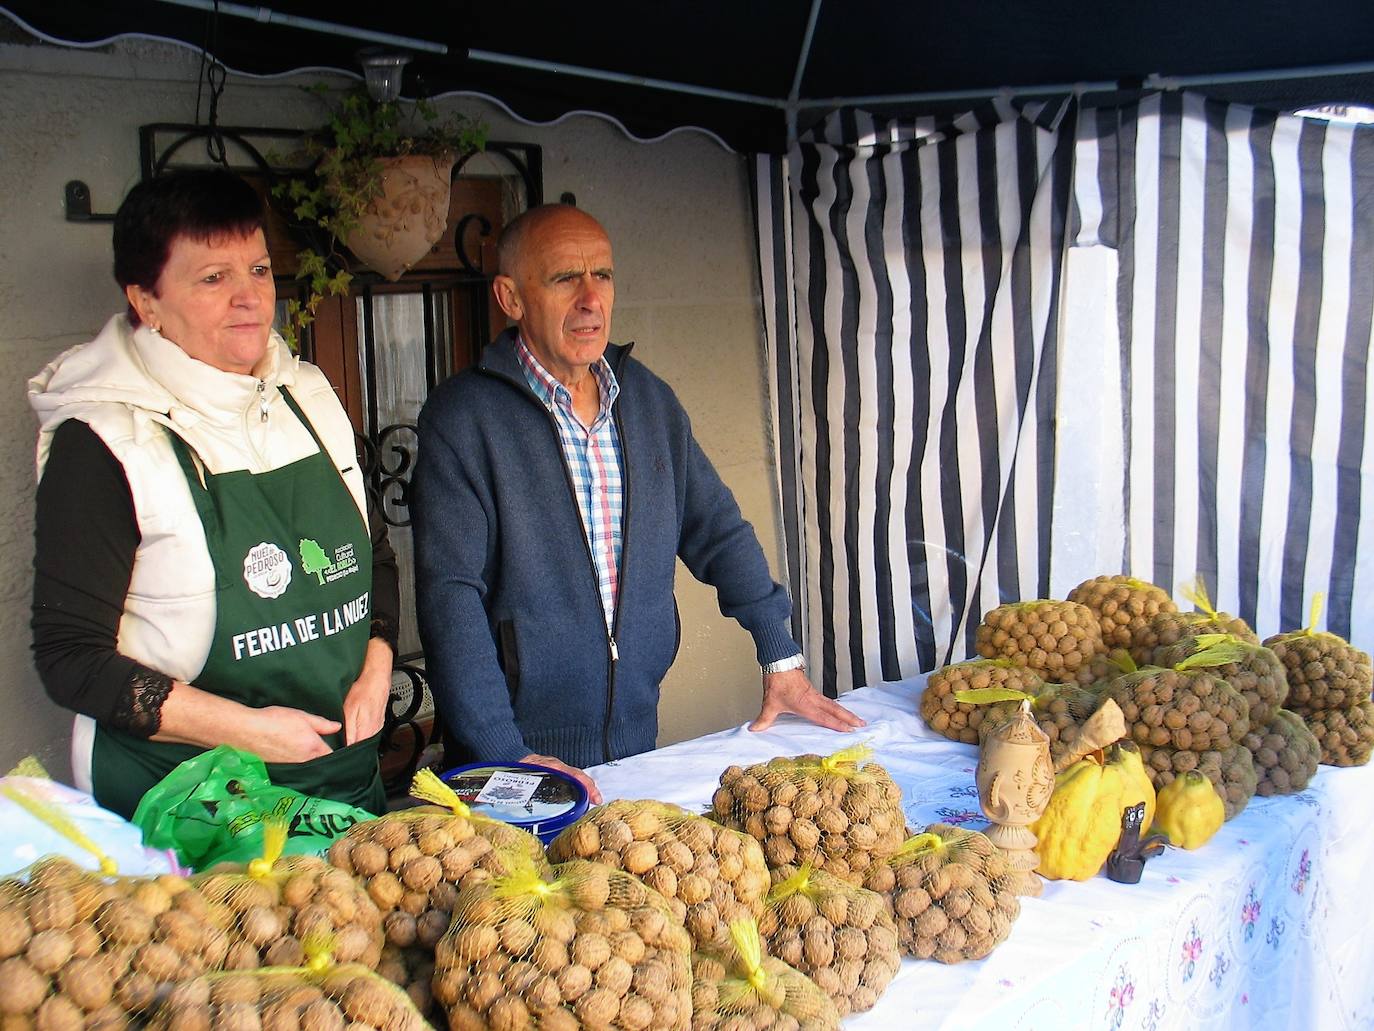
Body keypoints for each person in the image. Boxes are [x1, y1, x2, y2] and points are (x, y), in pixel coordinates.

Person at [412, 204, 861, 803]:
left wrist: (780, 652)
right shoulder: (463, 420)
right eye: (565, 278)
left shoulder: (647, 401)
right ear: (511, 298)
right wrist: (506, 755)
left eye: (603, 275)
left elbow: (717, 530)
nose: (591, 299)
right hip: (516, 761)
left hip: (639, 743)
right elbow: (450, 596)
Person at [29, 169, 399, 819]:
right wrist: (247, 732)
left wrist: (377, 661)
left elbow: (376, 555)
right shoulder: (104, 439)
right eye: (212, 278)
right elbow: (70, 658)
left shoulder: (308, 394)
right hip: (192, 811)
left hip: (341, 785)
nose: (249, 297)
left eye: (258, 270)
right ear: (145, 301)